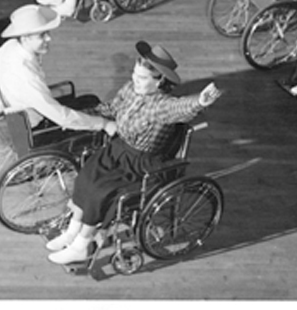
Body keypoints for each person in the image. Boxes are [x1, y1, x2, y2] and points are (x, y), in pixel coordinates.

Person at [45, 41, 222, 265]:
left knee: (99, 191)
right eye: (134, 74)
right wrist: (79, 116)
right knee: (85, 177)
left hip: (140, 164)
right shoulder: (130, 89)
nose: (135, 80)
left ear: (159, 81)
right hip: (117, 151)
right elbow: (111, 108)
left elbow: (181, 108)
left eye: (142, 78)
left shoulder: (161, 105)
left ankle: (81, 245)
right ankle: (72, 232)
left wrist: (200, 102)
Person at [0, 4, 117, 135]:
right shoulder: (26, 77)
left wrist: (0, 104)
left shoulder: (10, 46)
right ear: (25, 38)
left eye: (47, 33)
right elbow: (61, 117)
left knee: (89, 100)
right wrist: (103, 124)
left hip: (21, 115)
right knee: (93, 105)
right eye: (41, 35)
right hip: (37, 127)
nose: (49, 38)